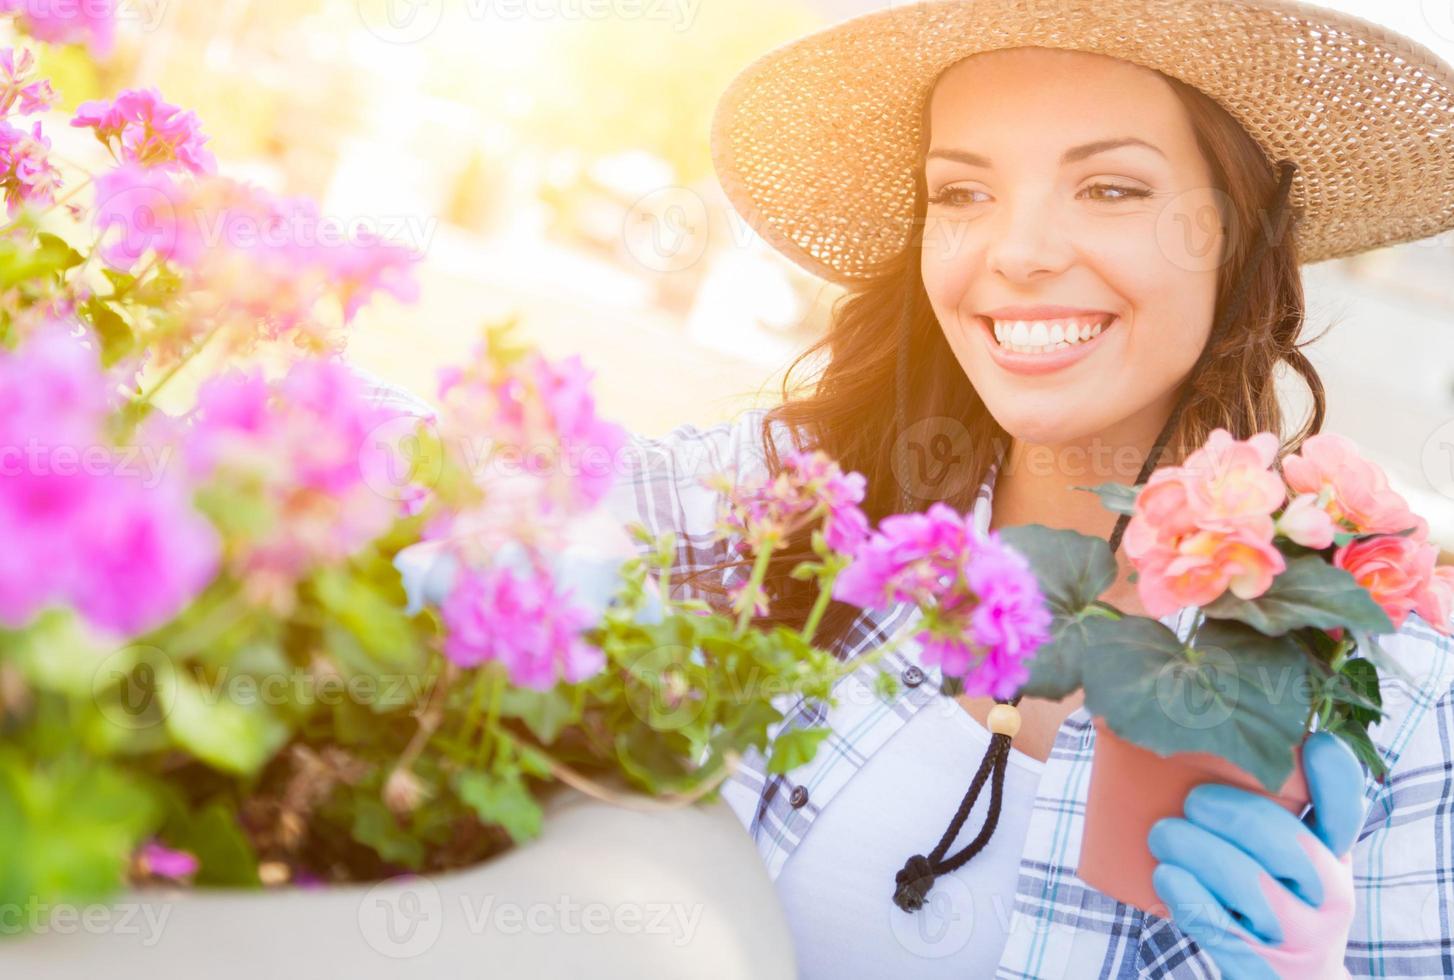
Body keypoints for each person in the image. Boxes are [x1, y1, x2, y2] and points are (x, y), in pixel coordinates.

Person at [594, 2, 1454, 976]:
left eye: (1110, 187)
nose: (1017, 252)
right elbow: (465, 473)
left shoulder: (1402, 701)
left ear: (1238, 228)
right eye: (961, 193)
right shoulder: (788, 508)